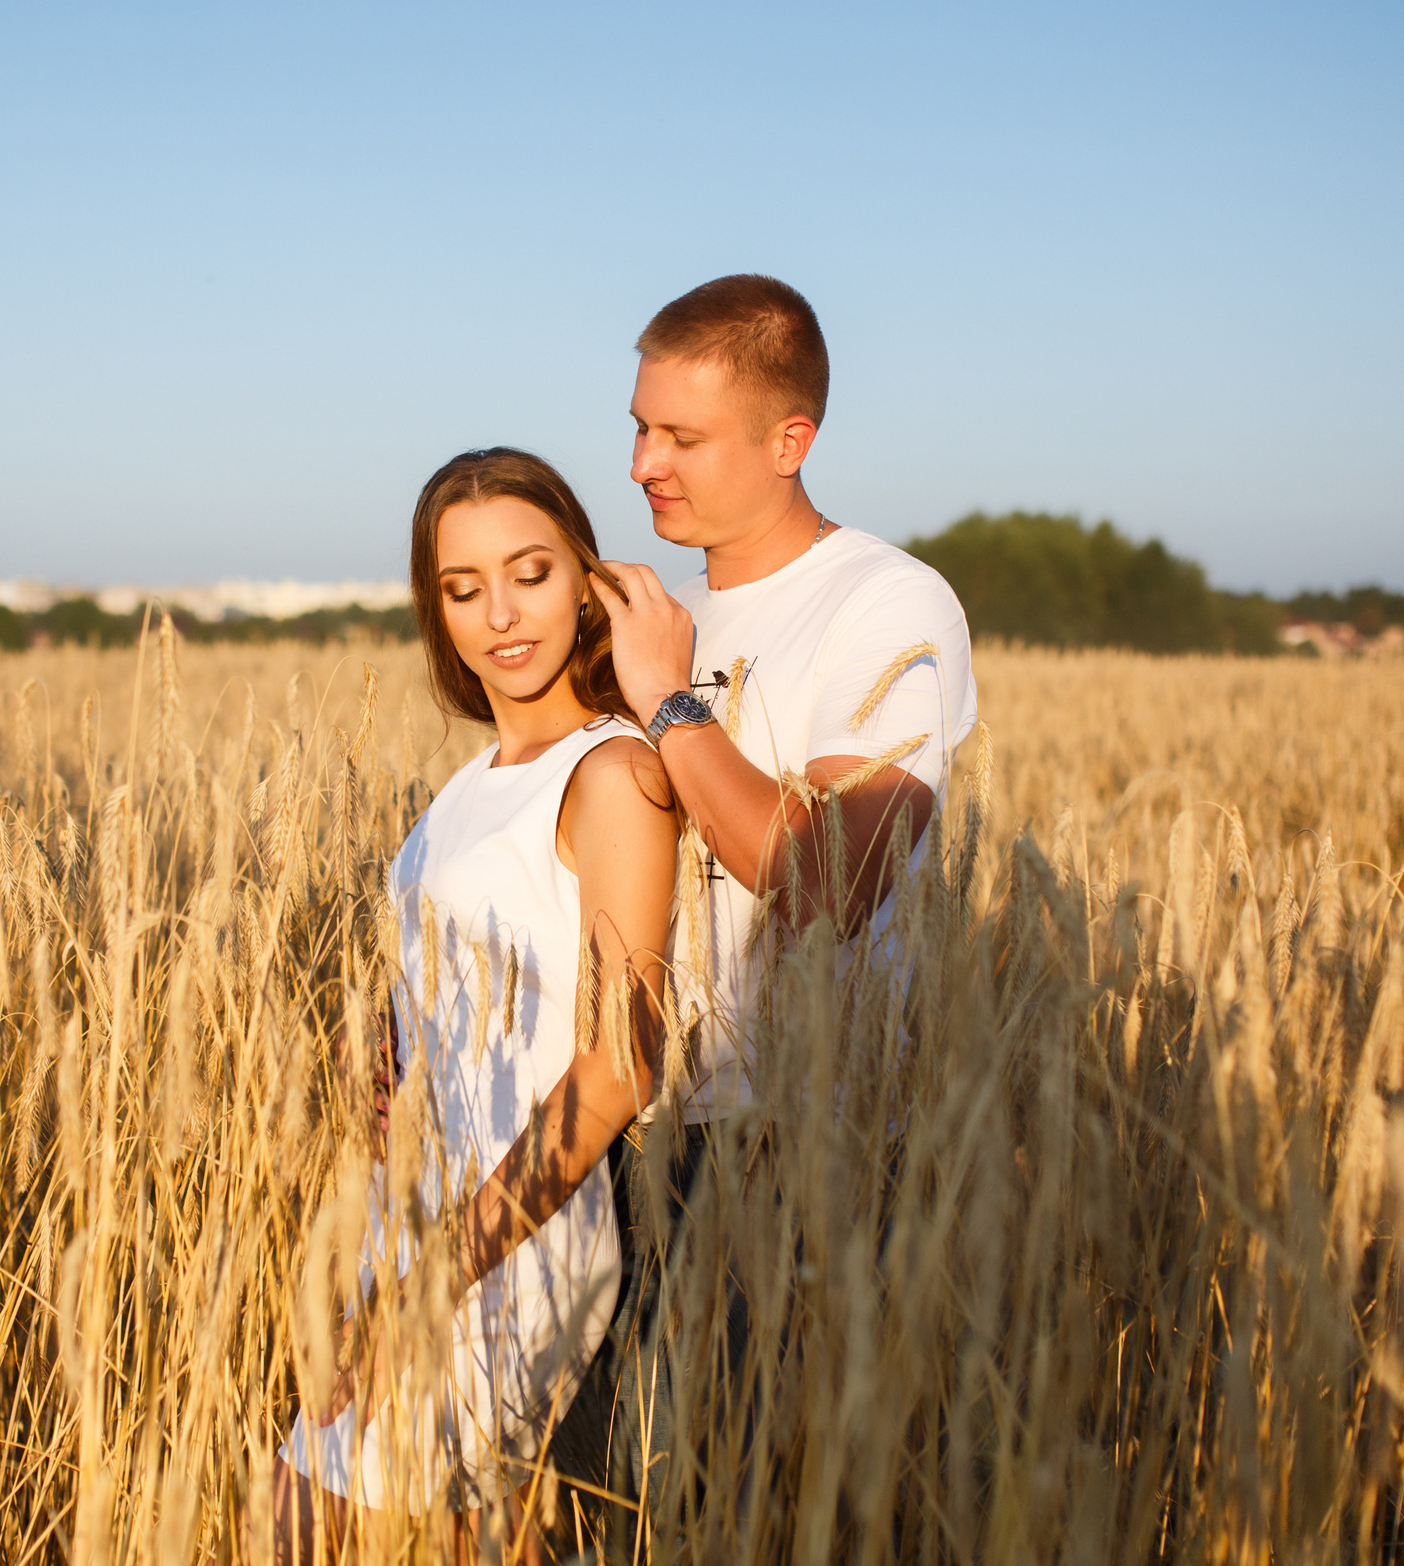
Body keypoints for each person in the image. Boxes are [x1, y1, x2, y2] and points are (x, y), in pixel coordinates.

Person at [574, 272, 977, 1524]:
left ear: (788, 440)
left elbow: (834, 881)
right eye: (639, 425)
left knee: (735, 1507)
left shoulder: (885, 602)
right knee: (607, 1506)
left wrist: (669, 703)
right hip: (624, 1133)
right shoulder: (666, 615)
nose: (642, 462)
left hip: (791, 1149)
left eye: (681, 436)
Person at [269, 448, 682, 1564]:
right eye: (462, 588)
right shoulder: (477, 777)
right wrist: (391, 1062)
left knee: (302, 1532)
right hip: (412, 1216)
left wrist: (429, 1285)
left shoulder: (613, 776)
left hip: (507, 1241)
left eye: (530, 572)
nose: (500, 614)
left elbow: (618, 1067)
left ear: (586, 580)